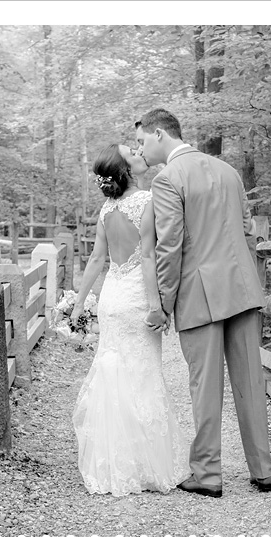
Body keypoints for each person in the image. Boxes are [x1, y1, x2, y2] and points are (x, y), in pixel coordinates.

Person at [135, 108, 271, 498]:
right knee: (250, 380)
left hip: (200, 295)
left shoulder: (168, 179)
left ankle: (208, 474)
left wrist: (163, 303)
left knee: (205, 386)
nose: (141, 150)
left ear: (161, 134)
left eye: (143, 141)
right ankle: (262, 470)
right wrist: (250, 282)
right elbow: (248, 235)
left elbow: (169, 248)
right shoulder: (228, 171)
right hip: (242, 289)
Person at [70, 143, 190, 496]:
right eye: (131, 153)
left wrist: (79, 304)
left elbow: (96, 260)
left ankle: (115, 465)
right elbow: (150, 257)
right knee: (144, 374)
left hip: (111, 297)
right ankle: (148, 466)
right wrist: (156, 305)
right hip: (136, 297)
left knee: (114, 372)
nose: (138, 154)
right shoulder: (147, 201)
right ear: (126, 170)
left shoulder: (106, 210)